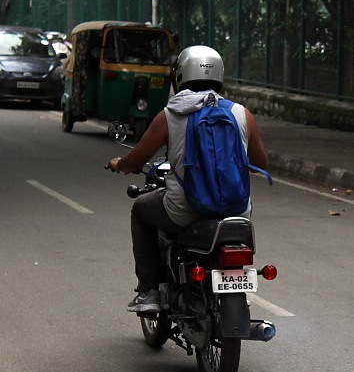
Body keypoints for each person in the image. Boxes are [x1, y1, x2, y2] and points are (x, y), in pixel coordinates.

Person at [108, 45, 269, 313]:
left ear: (180, 75)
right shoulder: (242, 114)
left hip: (184, 209)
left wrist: (118, 164)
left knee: (140, 210)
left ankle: (150, 291)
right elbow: (260, 164)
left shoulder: (170, 115)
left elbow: (135, 160)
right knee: (242, 220)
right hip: (236, 210)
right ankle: (234, 285)